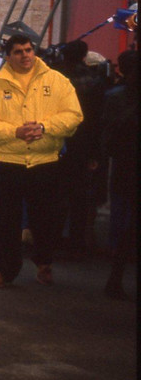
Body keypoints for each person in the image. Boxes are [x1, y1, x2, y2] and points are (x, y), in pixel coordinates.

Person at [0, 34, 83, 288]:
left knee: (45, 219)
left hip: (46, 161)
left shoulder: (57, 81)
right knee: (6, 221)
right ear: (8, 56)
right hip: (10, 162)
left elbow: (74, 115)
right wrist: (15, 132)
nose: (25, 55)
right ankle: (4, 271)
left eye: (28, 50)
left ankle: (44, 263)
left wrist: (45, 127)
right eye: (18, 51)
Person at [54, 40, 111, 259]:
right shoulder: (94, 82)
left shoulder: (55, 78)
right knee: (79, 197)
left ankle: (53, 239)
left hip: (57, 140)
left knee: (57, 194)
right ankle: (76, 242)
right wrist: (95, 152)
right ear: (84, 56)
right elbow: (97, 120)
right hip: (83, 143)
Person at [100, 50, 138, 300]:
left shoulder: (115, 96)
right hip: (127, 162)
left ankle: (116, 267)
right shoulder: (119, 97)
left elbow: (107, 134)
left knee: (123, 214)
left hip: (124, 163)